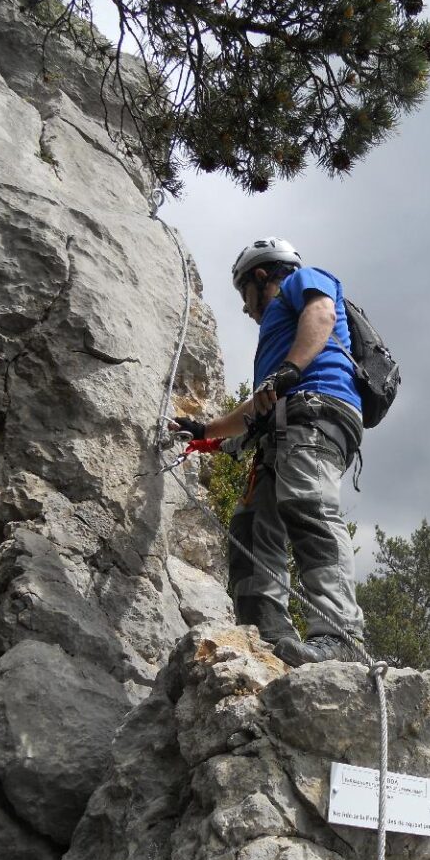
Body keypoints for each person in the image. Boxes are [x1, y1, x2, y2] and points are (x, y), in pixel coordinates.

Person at [172, 237, 364, 666]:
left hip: (315, 410)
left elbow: (322, 314)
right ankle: (267, 636)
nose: (245, 307)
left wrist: (290, 370)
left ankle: (341, 633)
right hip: (284, 424)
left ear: (262, 276)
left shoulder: (305, 281)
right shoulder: (277, 341)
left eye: (245, 294)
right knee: (250, 525)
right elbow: (255, 407)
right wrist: (204, 431)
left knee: (307, 504)